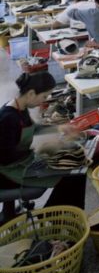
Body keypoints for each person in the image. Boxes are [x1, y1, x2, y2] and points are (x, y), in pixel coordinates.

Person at [0, 72, 86, 220]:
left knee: (74, 170)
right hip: (6, 172)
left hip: (18, 162)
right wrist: (40, 149)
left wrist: (59, 128)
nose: (44, 101)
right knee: (72, 175)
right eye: (44, 97)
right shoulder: (8, 118)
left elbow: (34, 128)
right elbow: (5, 158)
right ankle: (53, 219)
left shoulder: (20, 107)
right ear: (32, 93)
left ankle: (55, 216)